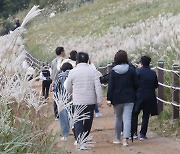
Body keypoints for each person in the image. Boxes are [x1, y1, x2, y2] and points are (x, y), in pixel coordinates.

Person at [65, 52, 103, 150]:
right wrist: (99, 100)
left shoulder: (73, 71)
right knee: (88, 120)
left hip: (78, 101)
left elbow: (68, 86)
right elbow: (98, 86)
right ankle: (84, 138)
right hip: (90, 100)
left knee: (78, 121)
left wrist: (70, 94)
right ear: (87, 60)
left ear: (76, 61)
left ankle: (80, 141)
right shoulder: (93, 71)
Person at [107, 50, 138, 146]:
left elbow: (111, 86)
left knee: (118, 118)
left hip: (117, 98)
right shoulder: (132, 70)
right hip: (129, 97)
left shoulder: (113, 71)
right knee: (127, 118)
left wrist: (109, 98)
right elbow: (136, 84)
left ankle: (117, 138)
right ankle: (125, 139)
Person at [132, 56, 158, 141]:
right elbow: (156, 85)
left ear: (141, 63)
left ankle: (134, 133)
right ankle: (142, 134)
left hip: (138, 96)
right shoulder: (153, 73)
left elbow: (134, 84)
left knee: (135, 114)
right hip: (150, 96)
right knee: (146, 115)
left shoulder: (137, 72)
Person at [53, 62, 73, 141]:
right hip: (72, 98)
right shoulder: (73, 74)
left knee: (63, 118)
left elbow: (55, 88)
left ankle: (65, 135)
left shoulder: (60, 76)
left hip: (62, 99)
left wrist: (56, 98)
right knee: (73, 116)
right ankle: (76, 134)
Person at [51, 47, 66, 120]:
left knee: (56, 98)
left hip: (55, 81)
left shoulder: (53, 61)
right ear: (61, 52)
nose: (65, 52)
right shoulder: (63, 60)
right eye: (64, 51)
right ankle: (64, 113)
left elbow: (52, 72)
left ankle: (57, 114)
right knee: (64, 97)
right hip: (62, 80)